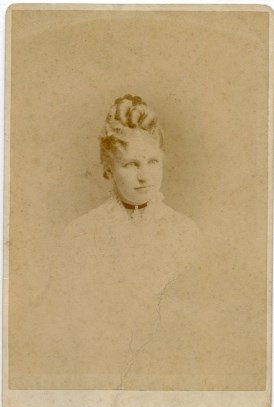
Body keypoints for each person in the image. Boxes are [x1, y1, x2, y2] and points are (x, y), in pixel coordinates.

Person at [39, 94, 201, 389]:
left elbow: (197, 322)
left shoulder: (185, 232)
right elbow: (59, 324)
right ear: (108, 170)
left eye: (152, 161)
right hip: (94, 375)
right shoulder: (81, 235)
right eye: (130, 164)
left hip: (169, 378)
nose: (144, 176)